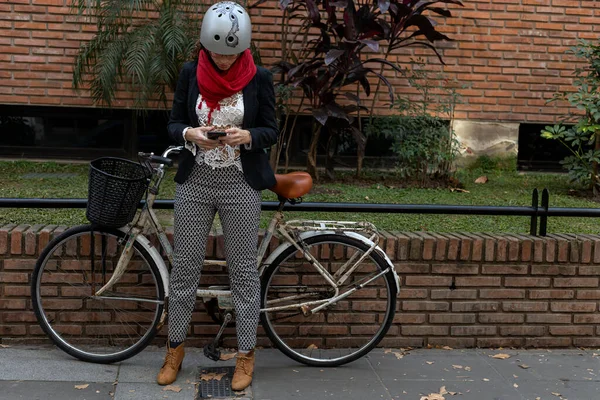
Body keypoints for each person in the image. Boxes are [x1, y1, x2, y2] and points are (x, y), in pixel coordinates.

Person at [157, 0, 278, 391]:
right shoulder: (190, 73)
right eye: (216, 53)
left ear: (243, 48)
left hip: (240, 183)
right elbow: (174, 123)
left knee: (242, 272)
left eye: (230, 53)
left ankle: (245, 355)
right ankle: (174, 349)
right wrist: (190, 134)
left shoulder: (259, 78)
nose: (223, 61)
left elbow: (270, 130)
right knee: (184, 270)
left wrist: (248, 136)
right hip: (196, 182)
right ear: (205, 47)